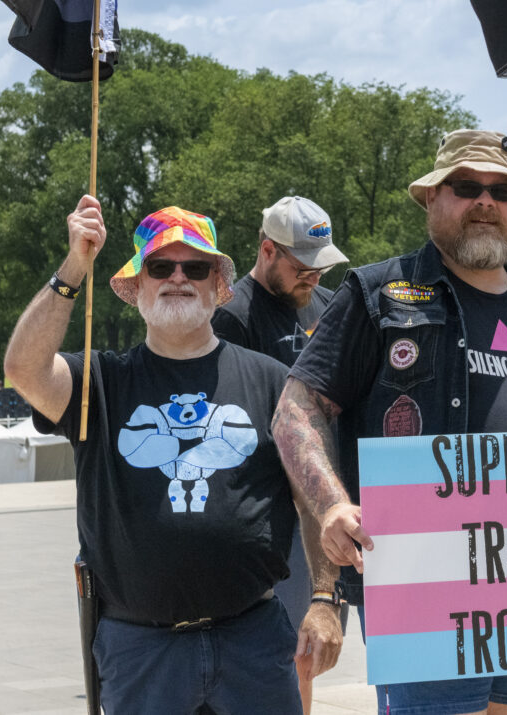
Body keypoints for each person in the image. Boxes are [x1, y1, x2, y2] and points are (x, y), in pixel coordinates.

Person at [273, 129, 507, 715]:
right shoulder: (378, 292)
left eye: (502, 191)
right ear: (433, 197)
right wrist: (331, 504)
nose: (485, 201)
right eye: (466, 186)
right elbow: (296, 410)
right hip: (424, 582)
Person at [3, 197, 342, 713]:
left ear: (217, 284)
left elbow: (316, 498)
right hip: (141, 653)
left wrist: (323, 598)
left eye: (196, 268)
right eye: (160, 267)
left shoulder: (273, 381)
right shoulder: (99, 383)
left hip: (254, 645)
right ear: (138, 284)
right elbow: (23, 371)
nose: (178, 278)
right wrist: (74, 266)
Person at [212, 194, 348, 715]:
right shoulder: (232, 314)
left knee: (311, 651)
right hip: (276, 509)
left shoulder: (329, 306)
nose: (313, 278)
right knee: (289, 653)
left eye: (321, 267)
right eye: (301, 267)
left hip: (329, 502)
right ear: (267, 250)